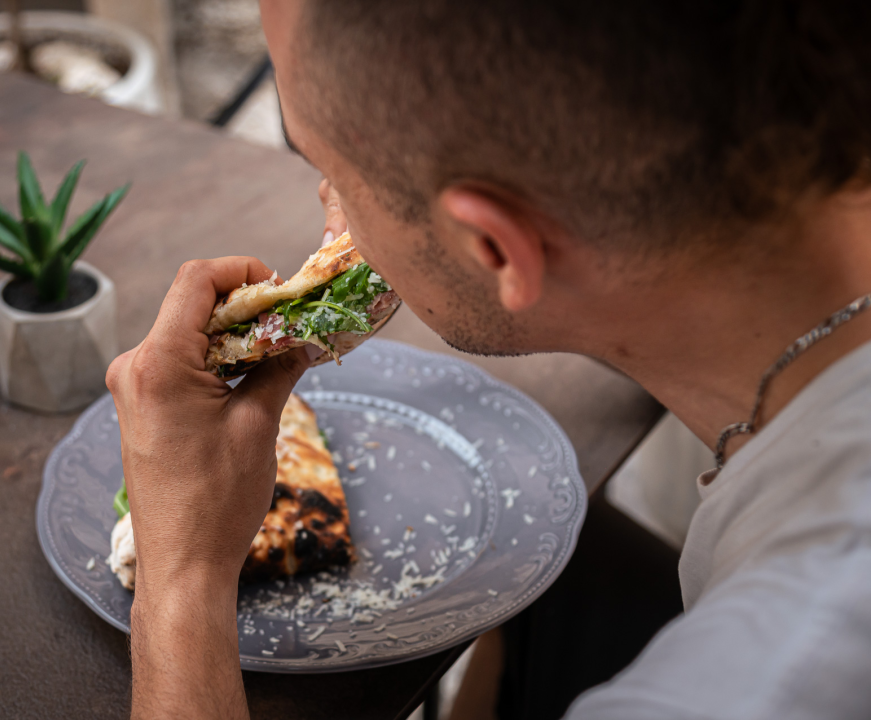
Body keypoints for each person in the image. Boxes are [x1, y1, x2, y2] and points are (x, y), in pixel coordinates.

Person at [104, 0, 871, 718]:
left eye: (332, 170)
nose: (325, 196)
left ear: (495, 248)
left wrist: (182, 579)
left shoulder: (740, 690)